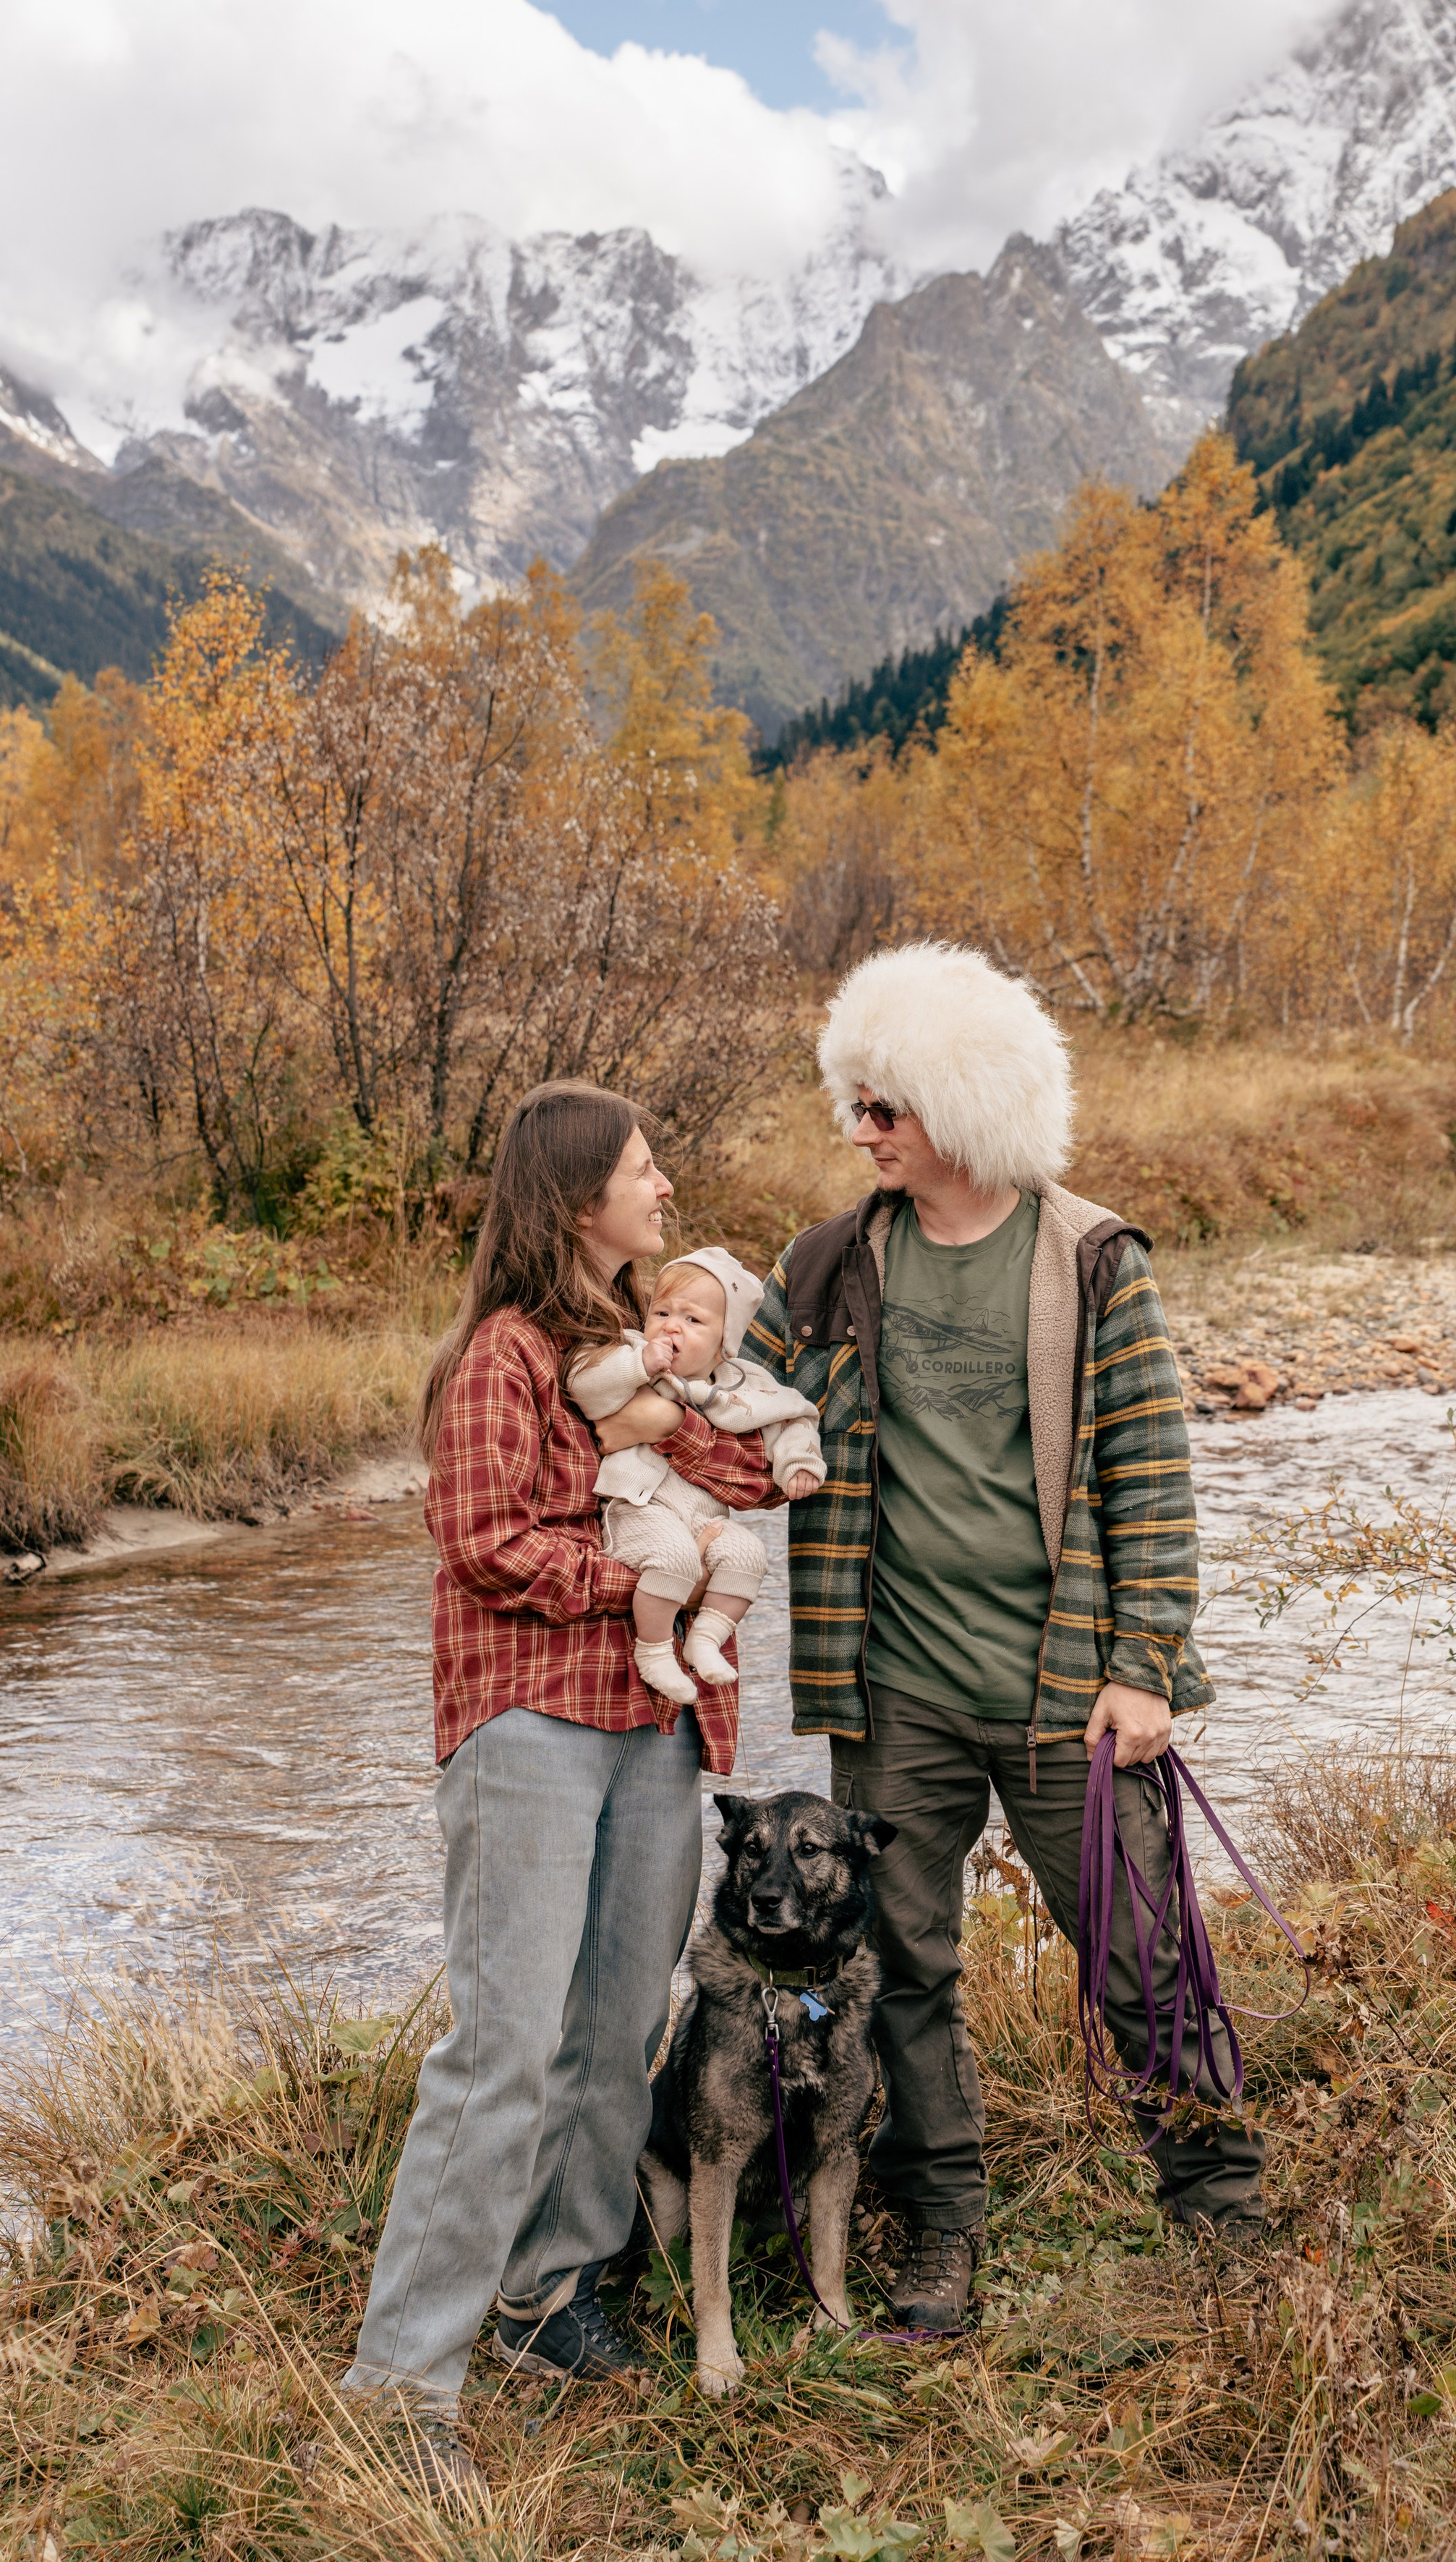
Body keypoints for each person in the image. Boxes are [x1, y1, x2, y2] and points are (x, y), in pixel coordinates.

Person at [744, 942, 1264, 2335]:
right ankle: (943, 2243)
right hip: (891, 1690)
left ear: (961, 1106)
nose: (860, 1133)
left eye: (884, 1109)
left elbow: (1151, 1478)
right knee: (900, 1969)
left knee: (1144, 1956)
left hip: (1066, 1694)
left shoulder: (1092, 1262)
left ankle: (1223, 2220)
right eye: (855, 1105)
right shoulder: (833, 1263)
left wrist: (1145, 1665)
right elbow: (742, 1396)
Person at [341, 1081, 773, 2501]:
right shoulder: (503, 1358)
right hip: (528, 1723)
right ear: (576, 1198)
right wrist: (646, 1578)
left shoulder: (644, 1354)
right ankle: (398, 2389)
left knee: (611, 2027)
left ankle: (544, 2292)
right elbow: (480, 1539)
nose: (663, 1191)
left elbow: (748, 1477)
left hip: (656, 1729)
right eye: (643, 1172)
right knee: (506, 2045)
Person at [566, 1246, 825, 1703]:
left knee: (748, 1554)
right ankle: (654, 1651)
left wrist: (799, 1464)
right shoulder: (630, 1353)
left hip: (704, 1517)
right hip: (640, 1506)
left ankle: (705, 1638)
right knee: (674, 1558)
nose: (671, 1326)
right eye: (663, 1311)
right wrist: (638, 1366)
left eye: (693, 1320)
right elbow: (583, 1386)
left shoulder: (743, 1384)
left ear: (725, 1341)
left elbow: (795, 1418)